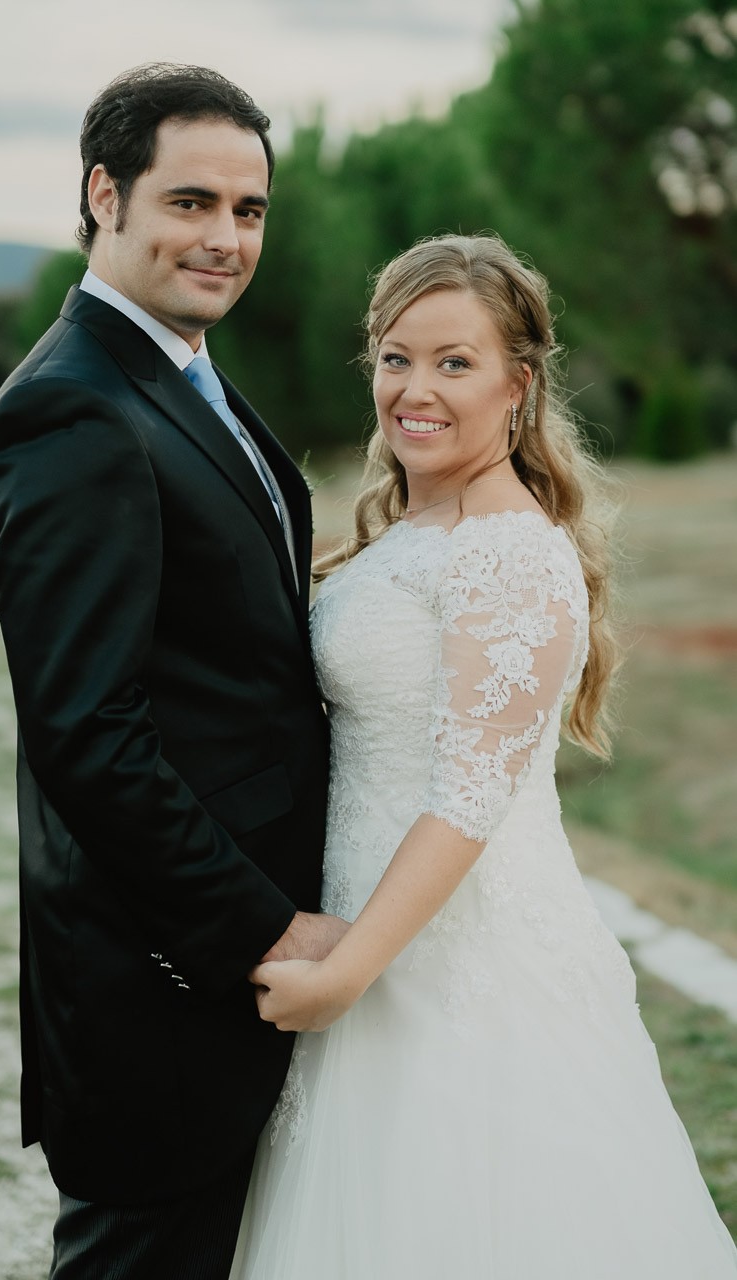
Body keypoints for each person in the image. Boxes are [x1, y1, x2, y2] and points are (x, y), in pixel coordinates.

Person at [231, 233, 737, 1278]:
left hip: (457, 970)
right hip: (365, 932)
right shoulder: (417, 527)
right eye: (394, 356)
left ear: (518, 383)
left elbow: (468, 796)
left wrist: (349, 974)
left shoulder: (506, 547)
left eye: (453, 362)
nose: (414, 389)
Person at [0, 63, 346, 1280]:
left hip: (229, 973)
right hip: (165, 979)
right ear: (104, 194)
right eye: (190, 202)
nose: (225, 238)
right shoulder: (74, 411)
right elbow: (88, 730)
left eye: (248, 210)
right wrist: (261, 930)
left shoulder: (179, 376)